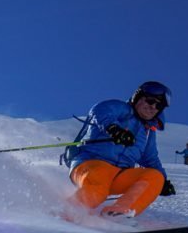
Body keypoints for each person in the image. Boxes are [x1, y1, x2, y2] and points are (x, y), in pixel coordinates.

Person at [63, 81, 176, 218]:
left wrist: (163, 181)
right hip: (89, 163)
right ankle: (65, 214)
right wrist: (114, 129)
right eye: (150, 101)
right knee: (99, 185)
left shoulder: (148, 131)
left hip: (118, 175)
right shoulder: (121, 109)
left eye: (159, 105)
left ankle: (118, 214)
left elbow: (150, 159)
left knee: (154, 177)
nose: (153, 107)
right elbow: (99, 111)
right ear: (138, 97)